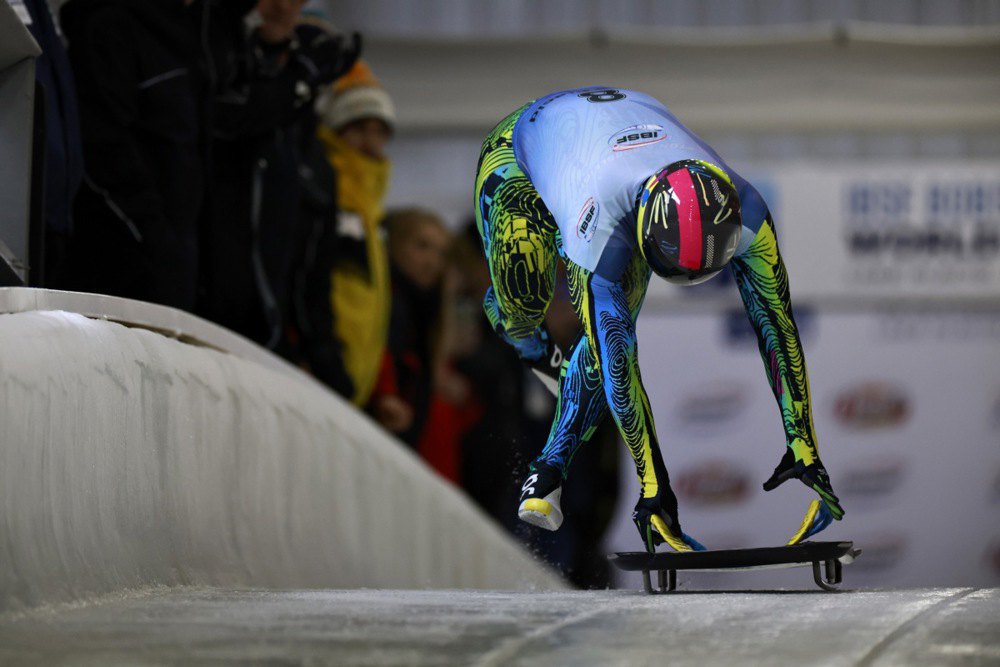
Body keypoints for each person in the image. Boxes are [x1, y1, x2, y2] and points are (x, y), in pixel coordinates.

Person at [473, 86, 844, 553]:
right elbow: (619, 366)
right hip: (518, 153)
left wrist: (804, 445)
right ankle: (531, 351)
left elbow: (777, 324)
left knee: (605, 333)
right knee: (529, 305)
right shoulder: (604, 220)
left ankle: (546, 469)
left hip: (616, 148)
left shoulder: (746, 208)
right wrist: (654, 486)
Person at [203, 0, 359, 349]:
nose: (281, 7)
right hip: (221, 313)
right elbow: (241, 119)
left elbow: (311, 269)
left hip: (268, 329)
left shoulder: (311, 150)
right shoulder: (230, 80)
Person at [302, 60, 395, 405]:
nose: (370, 142)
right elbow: (306, 278)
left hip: (352, 383)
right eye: (359, 128)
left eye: (380, 130)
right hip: (316, 371)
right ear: (336, 130)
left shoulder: (374, 211)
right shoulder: (323, 192)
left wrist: (382, 388)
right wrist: (311, 354)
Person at [369, 208, 451, 448]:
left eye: (441, 253)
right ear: (394, 243)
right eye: (422, 246)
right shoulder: (383, 302)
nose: (432, 262)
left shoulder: (425, 314)